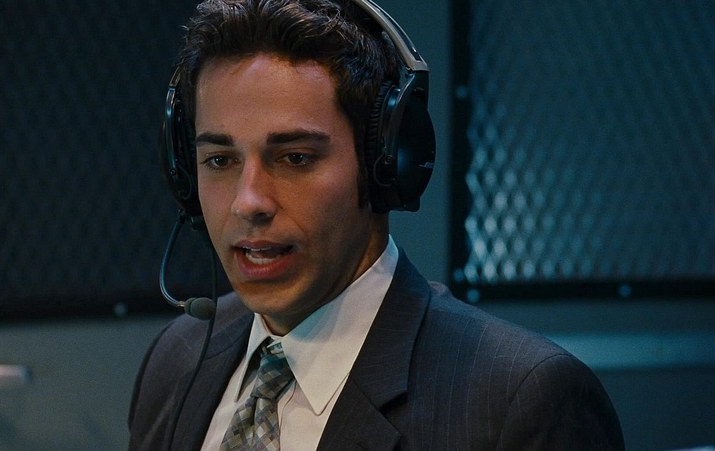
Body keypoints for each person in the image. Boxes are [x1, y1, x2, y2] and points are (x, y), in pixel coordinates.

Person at [128, 0, 625, 449]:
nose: (248, 202)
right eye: (219, 160)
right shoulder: (176, 359)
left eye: (295, 158)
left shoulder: (520, 402)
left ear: (386, 165)